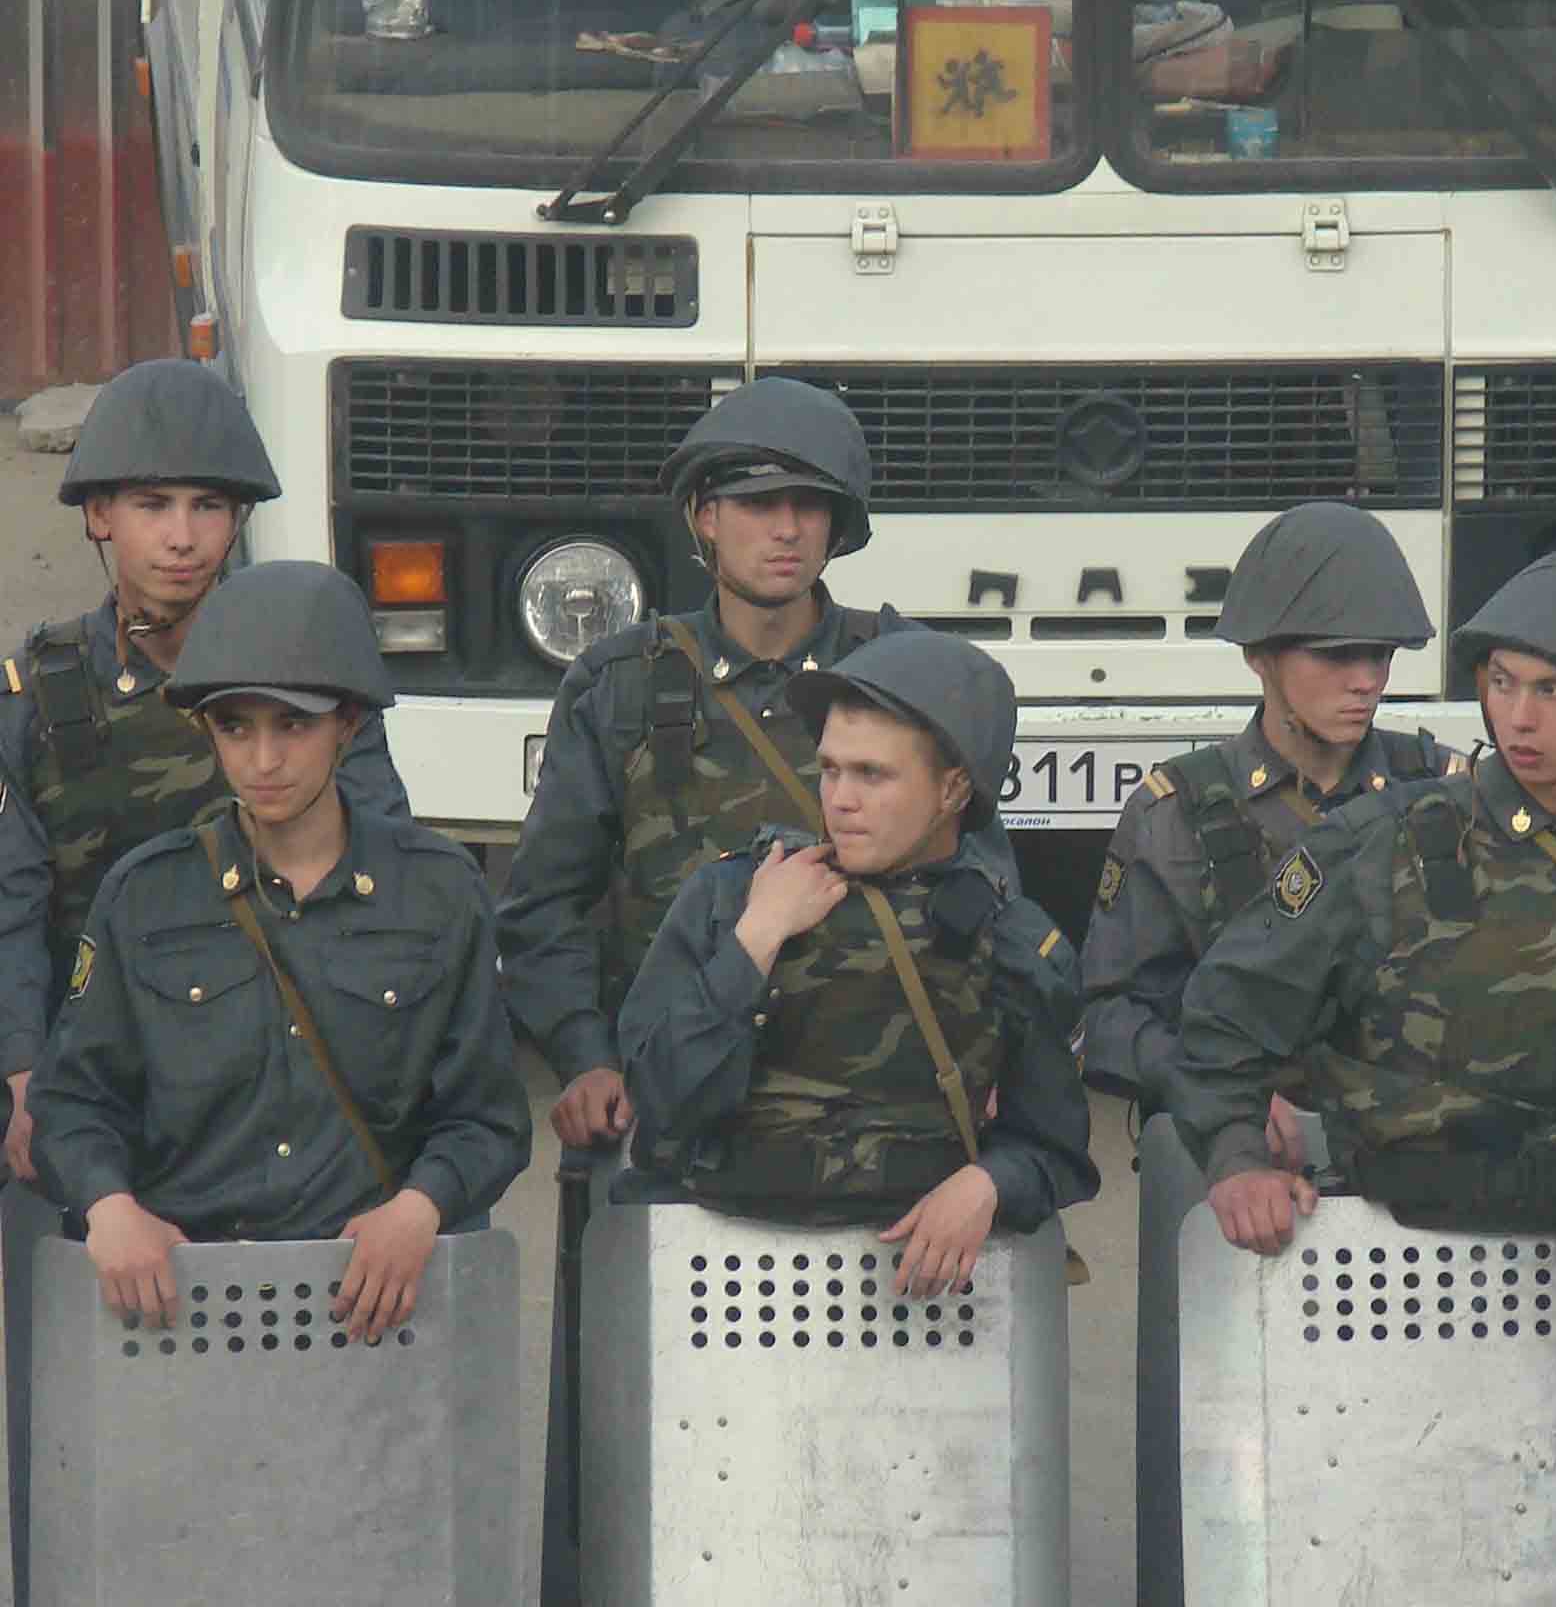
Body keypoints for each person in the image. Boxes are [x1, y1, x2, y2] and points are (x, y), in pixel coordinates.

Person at [0, 361, 407, 1603]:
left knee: (308, 1444)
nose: (182, 537)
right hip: (100, 1090)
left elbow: (381, 884)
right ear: (97, 516)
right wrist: (22, 1075)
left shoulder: (313, 669)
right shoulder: (40, 692)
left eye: (210, 507)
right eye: (153, 505)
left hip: (282, 1082)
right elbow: (13, 900)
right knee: (91, 1439)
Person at [498, 375, 908, 1603]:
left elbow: (981, 886)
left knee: (870, 1449)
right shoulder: (622, 685)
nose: (785, 528)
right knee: (644, 1447)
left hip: (864, 1113)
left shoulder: (905, 673)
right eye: (756, 502)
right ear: (702, 519)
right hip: (670, 1108)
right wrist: (583, 1057)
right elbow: (544, 906)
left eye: (809, 506)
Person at [1169, 550, 1556, 1256]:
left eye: (1553, 691)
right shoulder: (1378, 844)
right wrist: (1237, 1162)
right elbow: (1227, 1015)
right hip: (1386, 1256)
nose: (1519, 718)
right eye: (1502, 683)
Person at [28, 561, 531, 1336]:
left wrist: (420, 1207)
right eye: (235, 727)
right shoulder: (145, 894)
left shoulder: (438, 892)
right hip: (184, 1313)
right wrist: (109, 1206)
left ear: (348, 725)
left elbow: (488, 1114)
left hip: (376, 1316)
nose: (262, 761)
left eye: (293, 725)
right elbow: (72, 1101)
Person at [617, 627, 1096, 1293]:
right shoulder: (730, 901)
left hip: (921, 1303)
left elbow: (1057, 1150)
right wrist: (756, 941)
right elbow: (660, 1104)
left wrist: (989, 1184)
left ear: (954, 789)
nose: (840, 799)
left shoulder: (1014, 941)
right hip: (716, 1287)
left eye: (873, 774)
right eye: (831, 769)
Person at [1081, 502, 1463, 1122]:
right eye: (1337, 655)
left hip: (1413, 1134)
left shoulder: (1442, 792)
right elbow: (1107, 1018)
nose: (1366, 680)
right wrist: (1221, 1093)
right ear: (1260, 656)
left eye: (1381, 655)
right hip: (1236, 1138)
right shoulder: (1174, 815)